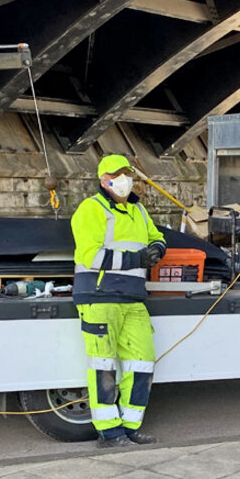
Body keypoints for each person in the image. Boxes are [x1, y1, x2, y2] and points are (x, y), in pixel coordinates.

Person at [72, 155, 167, 447]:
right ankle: (109, 433)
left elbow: (156, 236)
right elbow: (90, 255)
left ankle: (130, 426)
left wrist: (157, 249)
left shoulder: (138, 210)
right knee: (103, 365)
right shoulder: (91, 208)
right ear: (104, 180)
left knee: (142, 362)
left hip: (132, 298)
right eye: (116, 175)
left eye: (126, 174)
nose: (123, 180)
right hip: (99, 296)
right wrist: (137, 259)